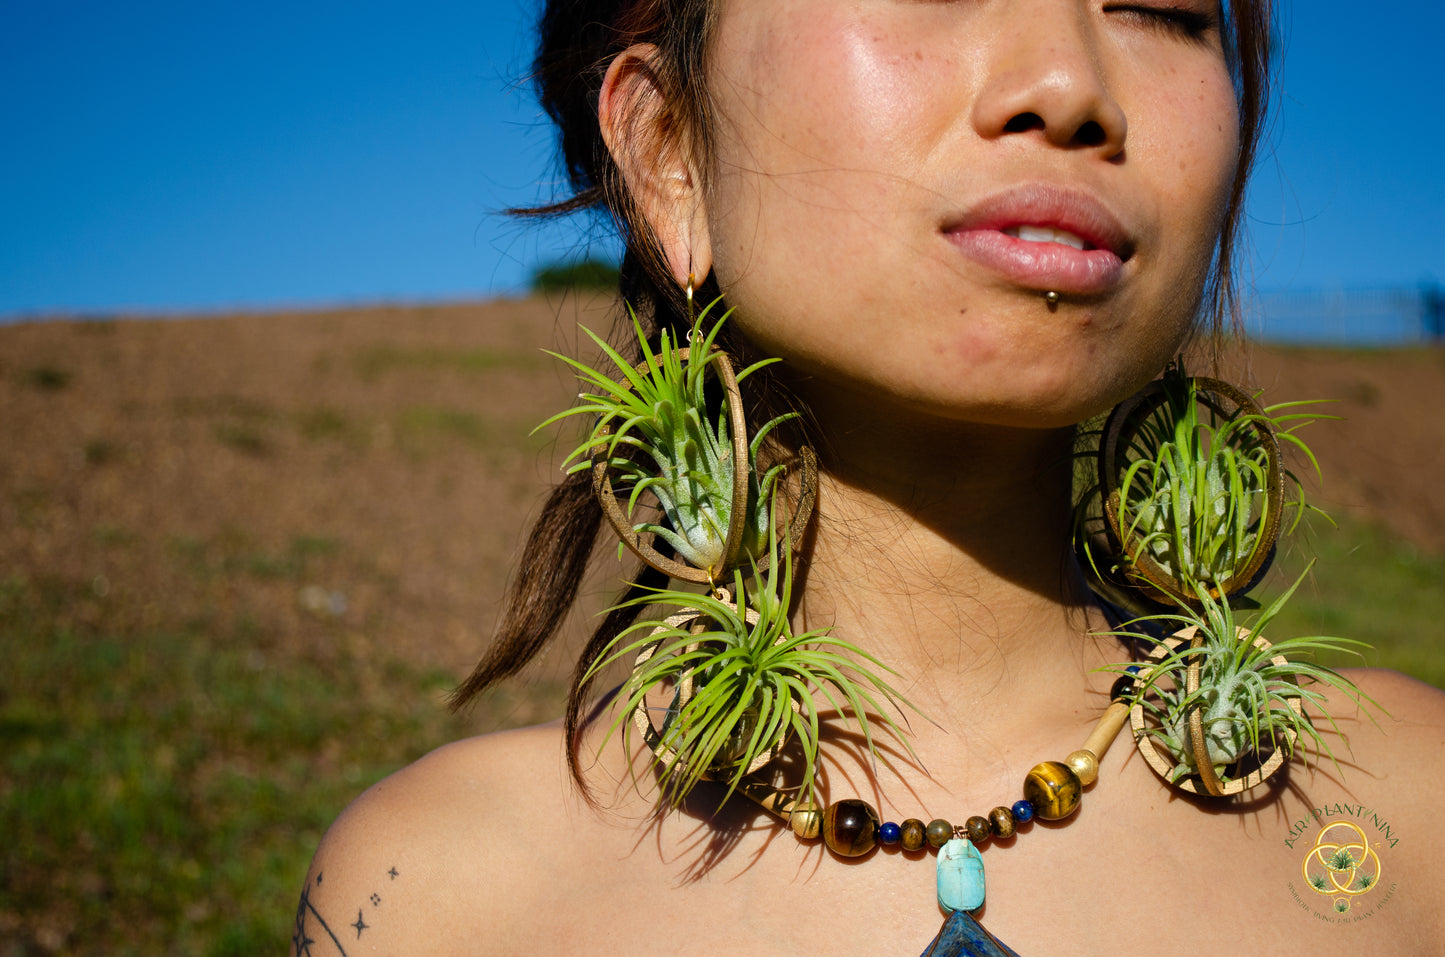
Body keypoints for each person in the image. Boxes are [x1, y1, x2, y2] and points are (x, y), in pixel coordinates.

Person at [290, 1, 1445, 953]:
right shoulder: (442, 898)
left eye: (1163, 8)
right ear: (665, 151)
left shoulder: (1411, 810)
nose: (1068, 84)